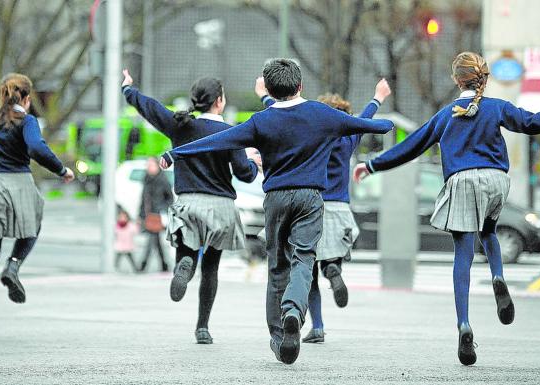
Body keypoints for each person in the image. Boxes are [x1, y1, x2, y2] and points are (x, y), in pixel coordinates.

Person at [160, 59, 394, 364]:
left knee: (277, 266)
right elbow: (371, 125)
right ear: (300, 86)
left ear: (268, 89)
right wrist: (382, 119)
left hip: (275, 200)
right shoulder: (322, 114)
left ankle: (278, 335)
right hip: (311, 198)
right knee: (304, 259)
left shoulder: (261, 121)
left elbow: (215, 141)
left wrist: (173, 153)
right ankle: (294, 310)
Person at [353, 51, 540, 366]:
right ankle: (497, 275)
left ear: (456, 80)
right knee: (489, 231)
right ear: (484, 78)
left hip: (463, 182)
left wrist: (371, 165)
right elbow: (531, 122)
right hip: (496, 181)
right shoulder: (496, 108)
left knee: (463, 254)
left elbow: (412, 146)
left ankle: (464, 324)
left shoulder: (446, 115)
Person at [121, 70, 261, 344]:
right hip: (221, 207)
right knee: (211, 268)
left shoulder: (180, 125)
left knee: (188, 250)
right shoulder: (230, 132)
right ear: (219, 101)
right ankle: (203, 327)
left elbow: (151, 108)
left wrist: (128, 90)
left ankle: (184, 264)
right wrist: (254, 164)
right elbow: (244, 174)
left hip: (189, 203)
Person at [255, 79, 392, 344]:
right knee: (332, 254)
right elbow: (366, 118)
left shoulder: (310, 134)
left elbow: (278, 113)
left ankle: (317, 326)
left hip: (311, 203)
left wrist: (264, 95)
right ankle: (334, 269)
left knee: (306, 269)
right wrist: (377, 97)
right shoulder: (348, 137)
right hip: (339, 208)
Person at [0, 73, 75, 341]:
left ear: (2, 95)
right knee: (33, 224)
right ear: (26, 97)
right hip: (19, 183)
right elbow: (36, 148)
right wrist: (61, 169)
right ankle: (13, 266)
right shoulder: (27, 121)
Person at [138, 157, 173, 273]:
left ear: (157, 166)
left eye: (151, 165)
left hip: (158, 216)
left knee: (152, 239)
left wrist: (161, 208)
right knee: (156, 241)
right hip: (149, 215)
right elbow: (143, 199)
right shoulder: (146, 179)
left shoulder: (162, 180)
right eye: (148, 165)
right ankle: (164, 265)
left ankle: (143, 264)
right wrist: (141, 215)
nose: (149, 167)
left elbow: (170, 199)